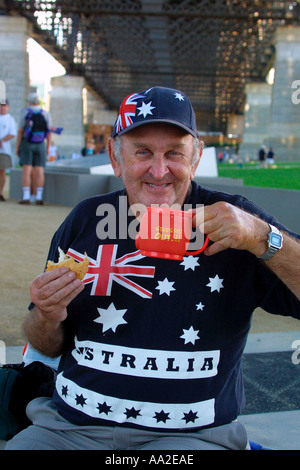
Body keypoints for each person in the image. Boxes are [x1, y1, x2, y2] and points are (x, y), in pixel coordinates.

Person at [6, 86, 300, 451]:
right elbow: (46, 344)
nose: (159, 171)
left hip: (192, 438)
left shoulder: (238, 221)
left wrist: (263, 238)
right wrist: (46, 315)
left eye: (174, 153)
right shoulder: (86, 220)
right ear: (115, 157)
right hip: (67, 430)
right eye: (142, 152)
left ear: (195, 158)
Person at [15, 92, 52, 205]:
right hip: (41, 143)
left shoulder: (25, 112)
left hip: (27, 143)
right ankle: (38, 197)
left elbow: (20, 131)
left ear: (29, 101)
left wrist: (18, 147)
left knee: (26, 171)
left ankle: (26, 197)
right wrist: (48, 147)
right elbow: (49, 132)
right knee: (39, 171)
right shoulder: (45, 113)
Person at [0, 99, 17, 201]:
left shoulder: (10, 119)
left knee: (2, 172)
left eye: (4, 106)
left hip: (4, 150)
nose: (2, 108)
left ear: (8, 107)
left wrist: (2, 140)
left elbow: (12, 133)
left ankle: (0, 192)